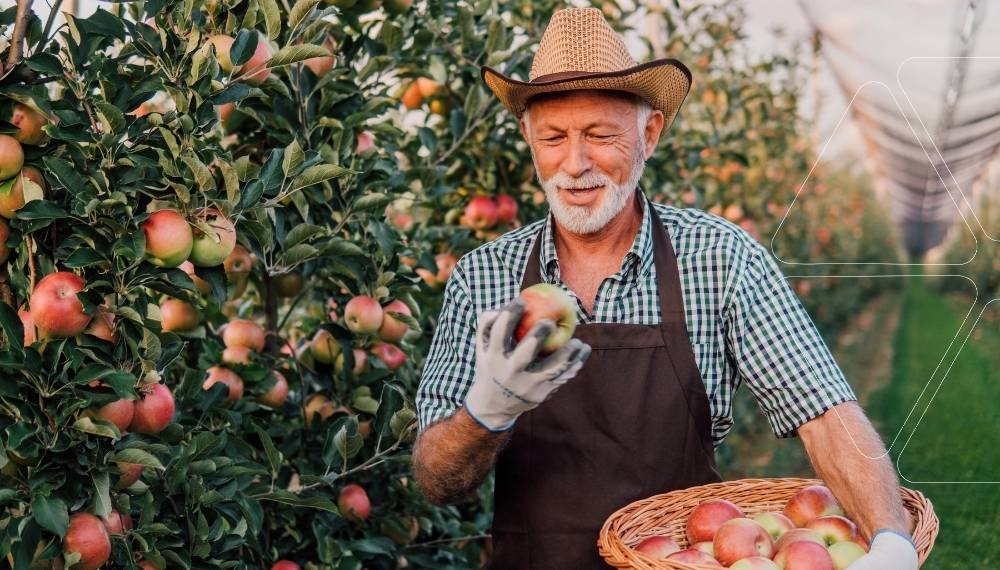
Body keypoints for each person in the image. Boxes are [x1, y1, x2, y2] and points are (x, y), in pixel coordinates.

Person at [412, 7, 918, 569]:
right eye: (553, 137)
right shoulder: (485, 276)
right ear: (529, 139)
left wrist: (890, 539)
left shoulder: (719, 258)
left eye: (600, 135)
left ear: (649, 134)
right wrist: (487, 411)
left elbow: (823, 411)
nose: (574, 163)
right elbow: (437, 480)